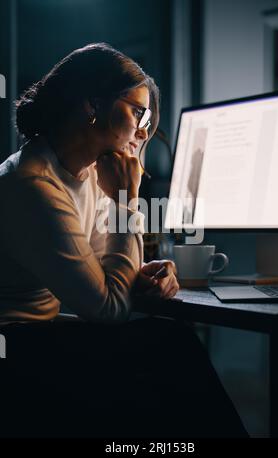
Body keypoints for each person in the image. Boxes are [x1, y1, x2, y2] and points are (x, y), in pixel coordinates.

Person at [0, 43, 248, 437]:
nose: (146, 129)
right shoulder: (33, 186)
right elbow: (109, 308)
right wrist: (124, 199)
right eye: (138, 111)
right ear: (91, 105)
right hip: (13, 351)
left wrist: (145, 274)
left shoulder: (81, 175)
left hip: (39, 337)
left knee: (164, 349)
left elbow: (105, 274)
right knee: (167, 346)